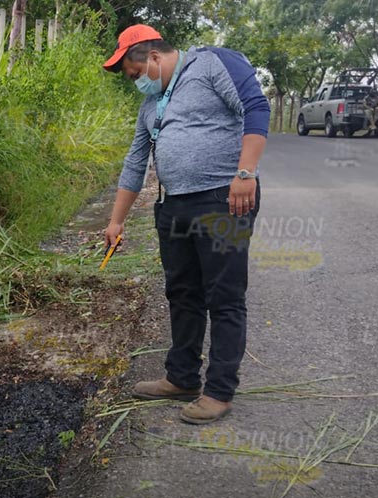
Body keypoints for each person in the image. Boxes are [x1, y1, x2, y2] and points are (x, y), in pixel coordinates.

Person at [102, 25, 270, 424]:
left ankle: (219, 391)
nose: (135, 82)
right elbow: (134, 163)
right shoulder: (152, 106)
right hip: (173, 206)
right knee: (182, 293)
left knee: (224, 296)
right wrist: (116, 220)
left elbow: (256, 107)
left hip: (223, 201)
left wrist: (245, 173)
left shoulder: (211, 63)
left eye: (134, 73)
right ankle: (181, 378)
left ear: (154, 58)